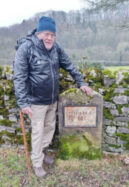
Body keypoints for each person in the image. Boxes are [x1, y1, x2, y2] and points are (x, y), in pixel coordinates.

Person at [13, 16, 93, 177]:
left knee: (49, 128)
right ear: (39, 33)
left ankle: (41, 153)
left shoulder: (56, 47)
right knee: (37, 131)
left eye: (52, 35)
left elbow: (69, 64)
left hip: (52, 99)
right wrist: (23, 103)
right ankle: (37, 163)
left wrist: (81, 82)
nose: (49, 38)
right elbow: (19, 77)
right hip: (35, 101)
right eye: (46, 34)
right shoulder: (26, 48)